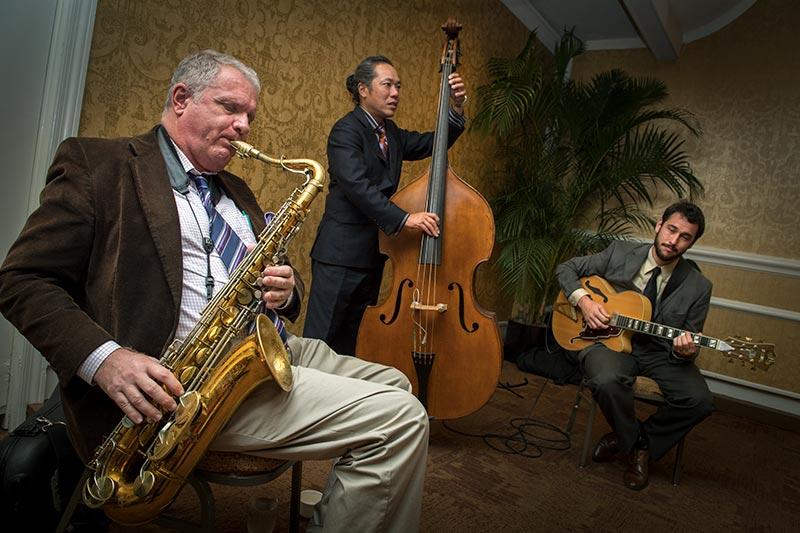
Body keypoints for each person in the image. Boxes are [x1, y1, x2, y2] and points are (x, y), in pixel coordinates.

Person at [0, 50, 429, 532]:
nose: (244, 125)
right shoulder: (101, 165)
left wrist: (286, 291)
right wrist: (106, 359)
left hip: (262, 346)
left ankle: (347, 512)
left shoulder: (238, 190)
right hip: (185, 384)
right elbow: (23, 280)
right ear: (181, 99)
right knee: (400, 418)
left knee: (398, 384)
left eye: (250, 115)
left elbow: (282, 277)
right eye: (230, 108)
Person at [303, 55, 467, 355]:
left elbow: (435, 143)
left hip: (372, 255)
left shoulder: (391, 133)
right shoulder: (346, 130)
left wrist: (455, 109)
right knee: (321, 340)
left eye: (398, 86)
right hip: (339, 255)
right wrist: (405, 219)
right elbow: (357, 186)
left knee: (351, 341)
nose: (395, 93)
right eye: (387, 85)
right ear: (363, 89)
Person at [555, 200, 714, 490]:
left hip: (660, 352)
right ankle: (639, 446)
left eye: (685, 237)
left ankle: (633, 440)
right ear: (658, 226)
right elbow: (566, 268)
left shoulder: (699, 286)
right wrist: (585, 301)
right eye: (671, 230)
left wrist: (686, 349)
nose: (673, 241)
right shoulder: (619, 252)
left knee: (700, 401)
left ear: (693, 243)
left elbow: (691, 336)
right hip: (608, 341)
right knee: (605, 379)